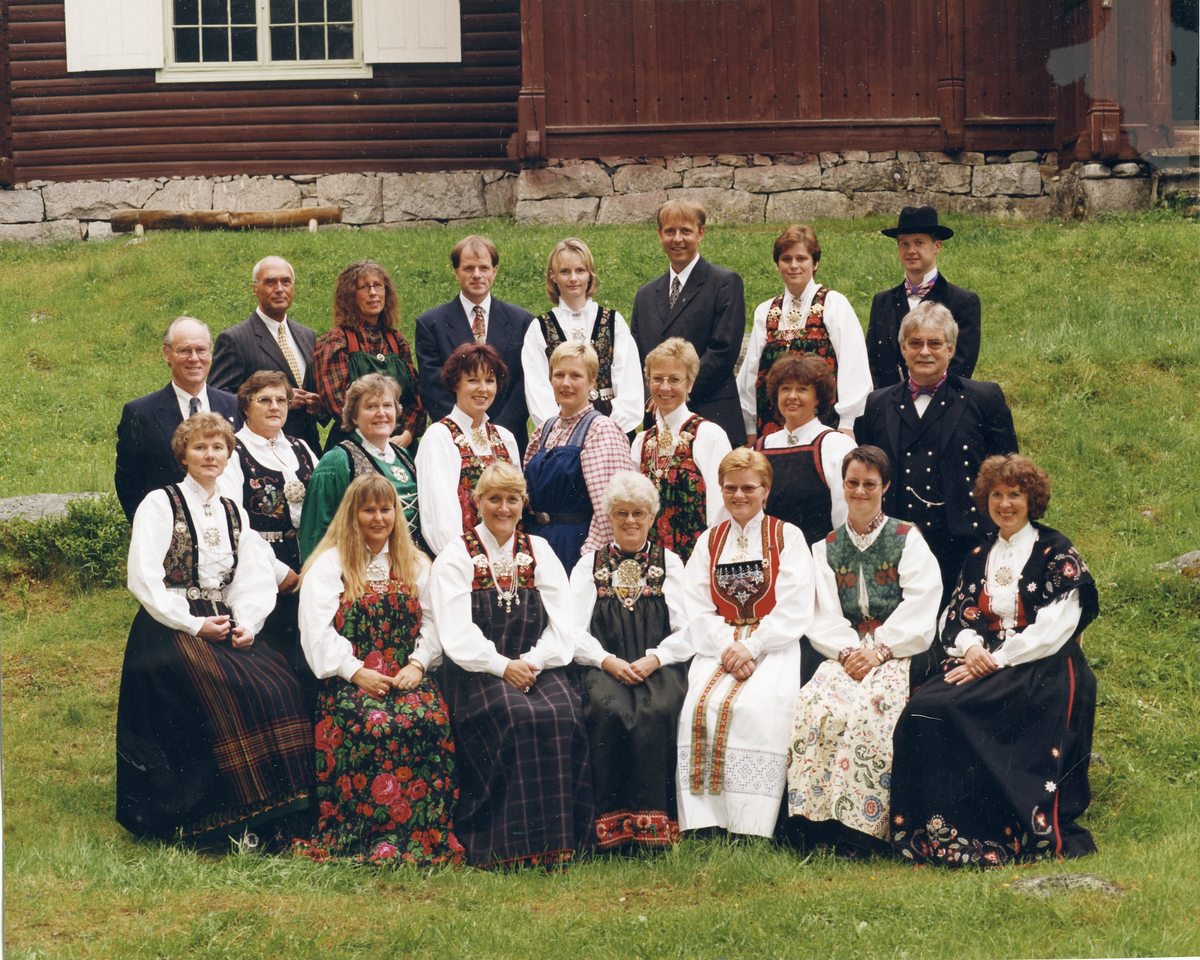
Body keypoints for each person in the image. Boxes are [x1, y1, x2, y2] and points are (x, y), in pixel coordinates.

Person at [889, 454, 1100, 866]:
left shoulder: (1056, 550)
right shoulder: (979, 553)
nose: (1005, 504)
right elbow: (957, 613)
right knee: (925, 708)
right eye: (997, 495)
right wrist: (971, 648)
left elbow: (1057, 626)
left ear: (1032, 500)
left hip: (1042, 665)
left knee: (962, 709)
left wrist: (999, 659)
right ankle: (937, 836)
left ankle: (996, 833)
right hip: (982, 658)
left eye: (1015, 495)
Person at [116, 413, 313, 843]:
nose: (210, 455)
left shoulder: (232, 510)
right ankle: (219, 818)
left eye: (218, 447)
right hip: (168, 627)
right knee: (230, 690)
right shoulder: (159, 503)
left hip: (222, 622)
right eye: (200, 447)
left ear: (229, 455)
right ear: (183, 454)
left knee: (279, 683)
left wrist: (247, 625)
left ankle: (274, 812)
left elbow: (253, 577)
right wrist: (192, 623)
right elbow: (143, 577)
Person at [430, 463, 593, 868]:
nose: (504, 508)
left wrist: (534, 661)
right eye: (494, 499)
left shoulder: (539, 550)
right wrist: (503, 666)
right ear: (477, 502)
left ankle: (562, 842)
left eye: (512, 499)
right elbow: (455, 633)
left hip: (537, 665)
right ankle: (504, 844)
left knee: (564, 712)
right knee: (515, 715)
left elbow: (564, 623)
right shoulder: (456, 555)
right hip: (478, 670)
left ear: (524, 504)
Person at [296, 474, 464, 865]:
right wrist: (355, 671)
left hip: (405, 673)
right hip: (350, 678)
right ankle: (362, 834)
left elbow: (435, 620)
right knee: (372, 724)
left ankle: (423, 832)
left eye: (385, 509)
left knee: (429, 719)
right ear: (352, 514)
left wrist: (419, 664)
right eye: (368, 509)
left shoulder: (415, 561)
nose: (378, 518)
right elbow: (315, 631)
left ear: (396, 513)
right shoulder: (330, 563)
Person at [785, 445, 941, 859]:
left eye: (869, 484)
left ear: (885, 487)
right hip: (846, 652)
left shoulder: (907, 538)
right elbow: (822, 613)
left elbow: (923, 602)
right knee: (817, 703)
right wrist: (851, 651)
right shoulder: (826, 548)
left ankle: (861, 830)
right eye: (852, 483)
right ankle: (813, 823)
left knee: (874, 706)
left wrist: (881, 650)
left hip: (898, 652)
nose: (859, 491)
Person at [676, 449, 815, 838]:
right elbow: (697, 605)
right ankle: (704, 822)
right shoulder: (709, 540)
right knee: (697, 709)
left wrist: (751, 647)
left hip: (772, 644)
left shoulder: (786, 535)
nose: (739, 496)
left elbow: (795, 605)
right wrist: (728, 647)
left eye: (748, 488)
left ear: (766, 490)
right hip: (719, 644)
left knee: (756, 709)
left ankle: (749, 823)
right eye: (730, 488)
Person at [856, 301, 1018, 603]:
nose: (924, 351)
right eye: (915, 343)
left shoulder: (984, 398)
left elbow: (1010, 474)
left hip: (967, 543)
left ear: (951, 349)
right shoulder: (877, 403)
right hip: (897, 544)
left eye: (934, 343)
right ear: (903, 348)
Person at [571, 471, 691, 851]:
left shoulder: (669, 563)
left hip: (657, 665)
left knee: (656, 710)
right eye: (621, 513)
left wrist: (655, 659)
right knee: (606, 710)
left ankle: (656, 829)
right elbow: (571, 631)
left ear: (652, 516)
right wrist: (606, 661)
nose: (630, 522)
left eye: (638, 513)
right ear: (609, 517)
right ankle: (611, 832)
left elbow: (688, 629)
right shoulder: (588, 565)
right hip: (605, 665)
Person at [218, 371, 320, 704]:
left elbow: (324, 508)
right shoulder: (234, 452)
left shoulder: (301, 448)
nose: (275, 407)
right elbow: (233, 522)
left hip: (309, 563)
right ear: (245, 407)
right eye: (264, 400)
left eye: (281, 400)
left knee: (310, 651)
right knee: (274, 661)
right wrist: (277, 571)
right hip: (262, 563)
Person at [737, 224, 872, 441]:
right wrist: (750, 425)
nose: (793, 266)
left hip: (825, 422)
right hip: (772, 423)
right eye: (786, 259)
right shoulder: (766, 311)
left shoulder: (834, 304)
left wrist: (847, 423)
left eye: (801, 259)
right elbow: (751, 371)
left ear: (815, 262)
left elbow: (852, 364)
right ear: (777, 265)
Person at [630, 199, 747, 446]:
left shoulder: (724, 283)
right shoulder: (646, 295)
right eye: (670, 231)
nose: (677, 239)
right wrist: (655, 395)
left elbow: (723, 351)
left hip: (709, 412)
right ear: (660, 234)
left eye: (686, 231)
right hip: (658, 417)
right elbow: (639, 357)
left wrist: (676, 392)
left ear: (701, 233)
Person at [415, 235, 534, 453]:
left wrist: (497, 432)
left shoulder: (522, 321)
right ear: (456, 272)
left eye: (484, 268)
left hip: (507, 436)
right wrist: (463, 430)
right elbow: (432, 386)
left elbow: (524, 383)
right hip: (454, 440)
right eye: (469, 268)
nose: (477, 275)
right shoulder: (431, 323)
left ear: (495, 270)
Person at [115, 317, 239, 523]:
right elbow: (129, 484)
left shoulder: (234, 406)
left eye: (201, 350)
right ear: (166, 354)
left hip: (227, 531)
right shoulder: (140, 413)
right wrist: (152, 532)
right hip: (171, 535)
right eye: (184, 351)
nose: (194, 358)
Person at [523, 341, 632, 571]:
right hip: (538, 543)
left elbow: (610, 509)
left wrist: (590, 559)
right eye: (559, 375)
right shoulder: (545, 429)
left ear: (592, 381)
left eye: (576, 376)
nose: (565, 383)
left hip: (575, 546)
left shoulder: (601, 430)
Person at [522, 237, 643, 437]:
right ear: (552, 276)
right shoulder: (540, 328)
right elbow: (538, 389)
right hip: (561, 433)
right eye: (564, 271)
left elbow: (629, 383)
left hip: (612, 431)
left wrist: (608, 432)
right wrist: (562, 433)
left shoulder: (613, 322)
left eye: (580, 270)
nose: (573, 278)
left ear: (590, 275)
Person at [630, 338, 731, 564]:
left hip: (697, 558)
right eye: (657, 379)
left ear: (690, 384)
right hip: (651, 561)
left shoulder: (708, 435)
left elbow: (721, 506)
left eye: (674, 379)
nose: (665, 387)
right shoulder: (641, 442)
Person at [415, 343, 521, 557]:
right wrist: (463, 564)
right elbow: (438, 517)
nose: (483, 389)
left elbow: (516, 506)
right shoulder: (440, 436)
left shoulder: (505, 438)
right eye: (473, 380)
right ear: (456, 383)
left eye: (489, 381)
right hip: (461, 563)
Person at [210, 256, 324, 453]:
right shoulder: (235, 339)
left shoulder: (307, 335)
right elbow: (218, 398)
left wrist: (319, 406)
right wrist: (279, 400)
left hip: (308, 450)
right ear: (255, 289)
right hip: (260, 452)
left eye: (286, 281)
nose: (279, 288)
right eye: (270, 282)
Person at [299, 374, 419, 560]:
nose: (381, 413)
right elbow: (316, 532)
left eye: (387, 405)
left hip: (407, 565)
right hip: (358, 569)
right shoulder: (337, 461)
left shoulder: (404, 456)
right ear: (354, 416)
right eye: (371, 407)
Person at [312, 260, 424, 454]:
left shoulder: (397, 341)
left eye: (378, 286)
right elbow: (337, 403)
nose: (373, 293)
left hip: (401, 446)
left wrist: (408, 433)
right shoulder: (336, 341)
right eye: (364, 287)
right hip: (355, 446)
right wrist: (375, 438)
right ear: (349, 296)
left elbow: (416, 398)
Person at [866, 206, 981, 389]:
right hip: (889, 406)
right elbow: (871, 362)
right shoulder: (882, 301)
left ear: (937, 247)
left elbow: (961, 366)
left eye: (919, 243)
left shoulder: (963, 302)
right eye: (904, 243)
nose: (911, 250)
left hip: (941, 405)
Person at [753, 354, 858, 546]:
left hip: (819, 562)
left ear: (818, 398)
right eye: (785, 389)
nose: (792, 396)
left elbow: (846, 514)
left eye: (802, 389)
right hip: (771, 558)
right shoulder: (760, 447)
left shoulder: (836, 444)